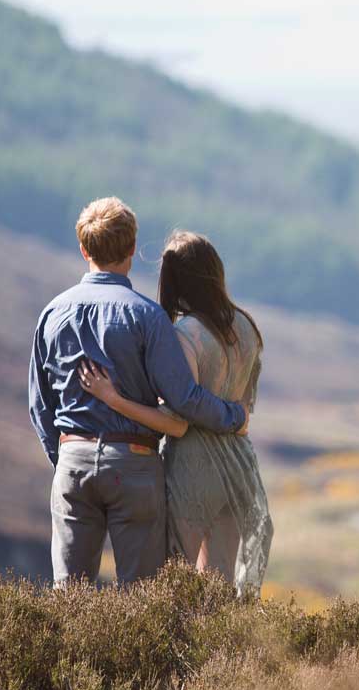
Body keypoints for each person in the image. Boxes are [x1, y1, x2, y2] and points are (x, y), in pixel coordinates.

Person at [28, 198, 248, 587]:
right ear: (132, 249)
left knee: (69, 597)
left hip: (72, 459)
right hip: (135, 462)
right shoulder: (148, 316)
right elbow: (185, 399)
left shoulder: (52, 313)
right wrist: (234, 417)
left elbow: (40, 405)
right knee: (141, 599)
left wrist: (65, 454)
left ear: (84, 250)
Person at [77, 230, 272, 597]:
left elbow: (178, 420)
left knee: (177, 590)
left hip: (191, 471)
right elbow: (244, 413)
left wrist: (115, 399)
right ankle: (228, 657)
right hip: (237, 468)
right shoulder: (247, 328)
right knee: (220, 589)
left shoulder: (186, 333)